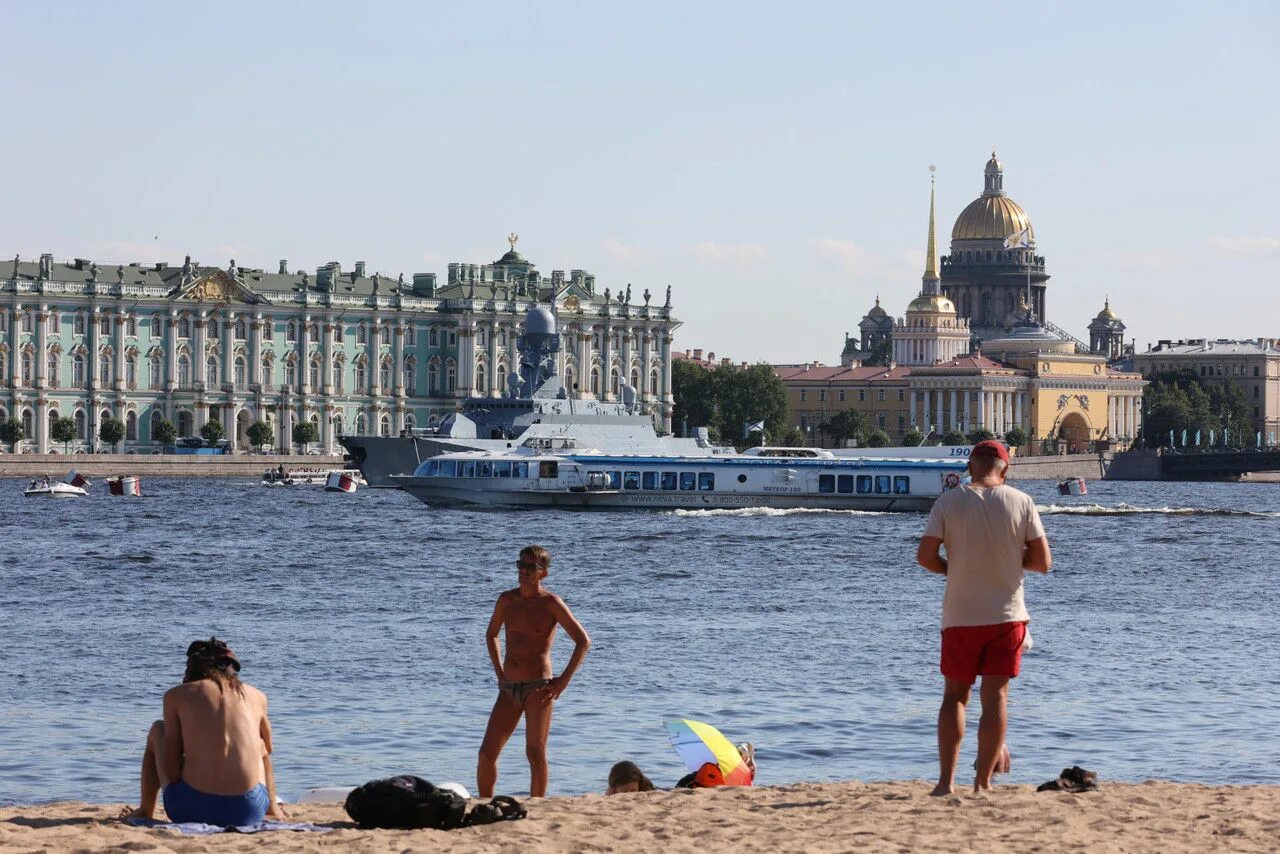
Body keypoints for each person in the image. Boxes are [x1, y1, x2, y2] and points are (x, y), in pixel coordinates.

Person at [916, 440, 1051, 795]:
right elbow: (1042, 562)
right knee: (996, 698)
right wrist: (1007, 558)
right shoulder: (1022, 502)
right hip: (1006, 616)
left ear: (971, 465)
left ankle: (945, 784)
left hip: (960, 614)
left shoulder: (948, 501)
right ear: (1004, 469)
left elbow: (925, 557)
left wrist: (954, 568)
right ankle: (982, 783)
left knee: (954, 697)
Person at [124, 638, 284, 825]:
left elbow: (172, 772)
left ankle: (146, 809)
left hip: (190, 809)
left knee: (158, 729)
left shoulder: (176, 695)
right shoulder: (258, 696)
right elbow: (269, 748)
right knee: (260, 745)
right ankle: (273, 809)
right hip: (249, 811)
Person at [478, 545, 591, 799]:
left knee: (535, 752)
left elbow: (583, 641)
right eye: (521, 566)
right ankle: (484, 803)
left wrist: (562, 682)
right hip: (508, 688)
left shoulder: (551, 603)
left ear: (543, 573)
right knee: (487, 752)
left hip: (538, 687)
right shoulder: (507, 600)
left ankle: (538, 806)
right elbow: (491, 634)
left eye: (531, 567)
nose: (524, 572)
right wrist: (499, 672)